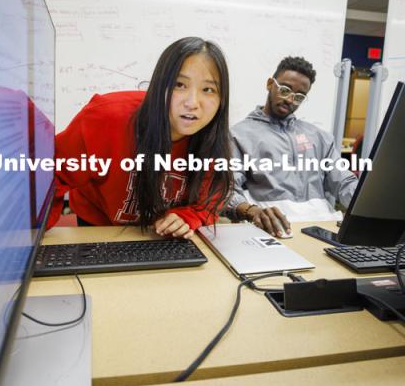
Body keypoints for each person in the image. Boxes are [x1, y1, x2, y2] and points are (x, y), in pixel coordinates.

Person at [47, 37, 232, 239]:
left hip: (159, 237)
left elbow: (209, 202)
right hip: (97, 225)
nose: (192, 102)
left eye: (208, 89)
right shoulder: (106, 117)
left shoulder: (212, 140)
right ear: (158, 87)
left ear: (221, 99)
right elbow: (52, 174)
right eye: (179, 85)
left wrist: (185, 216)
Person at [225, 56, 358, 237]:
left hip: (322, 226)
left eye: (299, 96)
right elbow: (226, 190)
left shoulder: (320, 137)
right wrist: (251, 211)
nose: (290, 100)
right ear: (270, 84)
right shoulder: (238, 135)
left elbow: (344, 182)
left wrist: (371, 203)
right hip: (272, 227)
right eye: (285, 90)